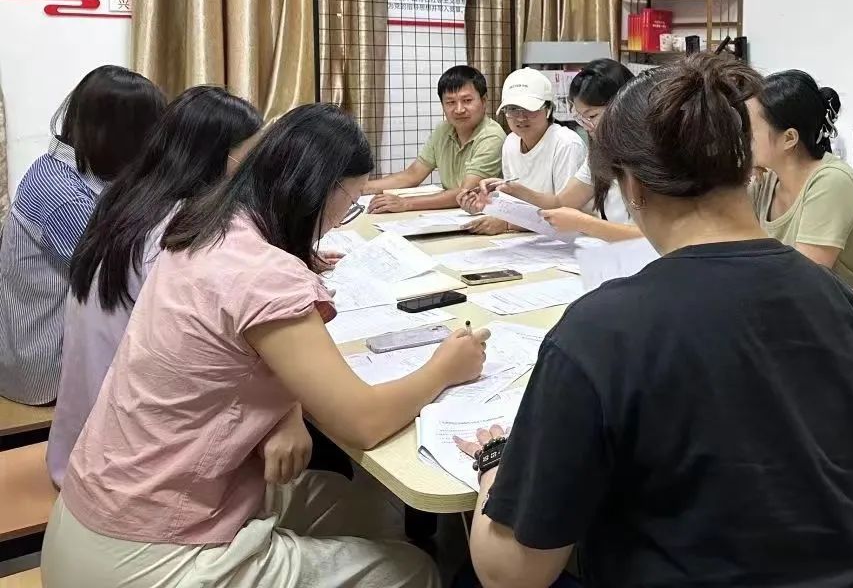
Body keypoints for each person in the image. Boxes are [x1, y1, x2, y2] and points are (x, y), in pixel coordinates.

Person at [454, 54, 853, 588]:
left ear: (633, 187)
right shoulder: (845, 303)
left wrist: (496, 463)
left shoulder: (600, 332)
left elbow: (511, 573)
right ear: (746, 168)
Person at [43, 103, 490, 588]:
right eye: (349, 203)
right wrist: (446, 367)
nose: (341, 219)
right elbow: (362, 422)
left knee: (363, 503)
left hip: (92, 513)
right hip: (149, 554)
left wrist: (285, 412)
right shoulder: (266, 275)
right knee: (414, 571)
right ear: (320, 192)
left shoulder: (202, 228)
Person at [47, 86, 264, 487]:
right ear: (216, 157)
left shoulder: (127, 197)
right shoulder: (181, 230)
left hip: (81, 439)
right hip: (123, 462)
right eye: (251, 154)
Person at [0, 65, 165, 405]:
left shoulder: (72, 169)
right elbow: (125, 277)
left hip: (47, 349)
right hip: (46, 367)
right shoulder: (64, 196)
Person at [747, 70, 853, 324]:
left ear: (789, 138)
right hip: (820, 317)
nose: (742, 137)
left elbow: (801, 282)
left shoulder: (831, 182)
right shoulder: (765, 179)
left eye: (750, 130)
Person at [471, 59, 641, 242]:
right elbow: (561, 202)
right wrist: (515, 189)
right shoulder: (600, 155)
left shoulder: (649, 157)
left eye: (592, 116)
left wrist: (582, 223)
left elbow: (650, 236)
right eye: (581, 118)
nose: (587, 126)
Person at [461, 68, 586, 235]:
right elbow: (516, 205)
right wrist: (484, 204)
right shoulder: (510, 142)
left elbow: (567, 212)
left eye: (530, 109)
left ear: (548, 109)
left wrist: (508, 224)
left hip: (570, 240)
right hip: (528, 237)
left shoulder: (566, 144)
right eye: (512, 109)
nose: (520, 117)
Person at [366, 65, 504, 213]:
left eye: (467, 100)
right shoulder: (443, 130)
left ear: (484, 101)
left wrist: (406, 203)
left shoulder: (492, 136)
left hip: (486, 215)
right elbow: (412, 175)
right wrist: (361, 188)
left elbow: (466, 192)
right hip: (452, 214)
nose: (459, 109)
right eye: (450, 102)